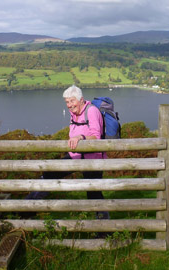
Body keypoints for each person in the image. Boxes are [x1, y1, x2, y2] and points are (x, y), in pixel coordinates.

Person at [25, 85, 109, 219]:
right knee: (50, 173)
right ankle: (27, 209)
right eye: (67, 102)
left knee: (94, 192)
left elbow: (96, 136)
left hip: (92, 158)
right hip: (75, 155)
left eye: (72, 101)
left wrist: (80, 137)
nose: (69, 105)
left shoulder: (92, 111)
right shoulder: (73, 114)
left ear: (81, 100)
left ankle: (103, 227)